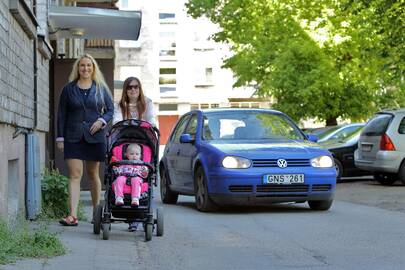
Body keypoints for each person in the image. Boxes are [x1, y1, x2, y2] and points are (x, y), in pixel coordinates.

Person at [56, 54, 114, 226]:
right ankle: (72, 215)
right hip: (73, 136)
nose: (86, 68)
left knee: (93, 174)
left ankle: (97, 213)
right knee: (75, 174)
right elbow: (61, 115)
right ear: (78, 68)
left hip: (95, 137)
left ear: (93, 68)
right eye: (82, 65)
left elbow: (110, 109)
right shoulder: (68, 89)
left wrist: (101, 120)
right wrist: (60, 137)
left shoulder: (100, 88)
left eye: (89, 65)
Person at [113, 76, 158, 231]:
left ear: (140, 89)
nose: (133, 90)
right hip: (124, 141)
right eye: (130, 87)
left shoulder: (147, 104)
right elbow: (116, 121)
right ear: (125, 90)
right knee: (119, 178)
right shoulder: (120, 106)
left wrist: (150, 125)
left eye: (136, 87)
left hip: (142, 141)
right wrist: (120, 124)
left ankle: (137, 217)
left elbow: (151, 119)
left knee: (138, 181)